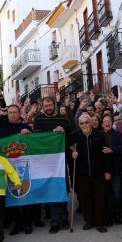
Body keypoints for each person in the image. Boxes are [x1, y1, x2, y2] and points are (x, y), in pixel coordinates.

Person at [33, 96, 71, 234]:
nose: (48, 108)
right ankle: (54, 221)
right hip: (46, 162)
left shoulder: (64, 119)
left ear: (54, 105)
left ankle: (64, 217)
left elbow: (71, 136)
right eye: (46, 106)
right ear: (42, 106)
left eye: (50, 105)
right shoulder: (38, 119)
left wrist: (64, 132)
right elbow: (37, 139)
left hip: (61, 160)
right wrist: (51, 134)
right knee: (51, 190)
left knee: (62, 189)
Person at [71, 114, 111, 233]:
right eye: (81, 123)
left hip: (98, 173)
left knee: (100, 198)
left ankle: (100, 223)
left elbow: (106, 154)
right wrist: (72, 155)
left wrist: (107, 170)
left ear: (91, 123)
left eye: (86, 122)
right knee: (85, 198)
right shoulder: (75, 137)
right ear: (79, 125)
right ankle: (89, 221)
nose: (84, 125)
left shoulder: (99, 135)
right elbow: (70, 151)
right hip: (82, 174)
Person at [101, 114, 122, 226]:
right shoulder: (99, 135)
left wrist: (112, 150)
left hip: (116, 168)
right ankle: (109, 217)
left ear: (112, 123)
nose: (107, 123)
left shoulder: (118, 134)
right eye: (105, 121)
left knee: (117, 194)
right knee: (107, 195)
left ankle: (117, 215)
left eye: (109, 121)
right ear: (102, 124)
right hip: (104, 169)